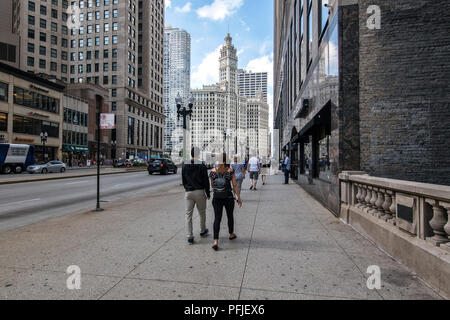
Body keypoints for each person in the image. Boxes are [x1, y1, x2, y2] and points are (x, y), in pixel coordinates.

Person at [210, 153, 242, 251]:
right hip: (228, 197)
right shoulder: (230, 171)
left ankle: (215, 241)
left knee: (217, 218)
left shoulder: (213, 171)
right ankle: (231, 234)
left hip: (217, 198)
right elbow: (235, 185)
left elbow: (212, 185)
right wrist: (238, 197)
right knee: (230, 216)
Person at [182, 147, 211, 245]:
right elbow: (206, 180)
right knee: (202, 213)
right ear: (198, 154)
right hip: (199, 191)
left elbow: (183, 180)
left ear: (191, 154)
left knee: (188, 215)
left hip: (189, 192)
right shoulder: (201, 165)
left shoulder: (185, 164)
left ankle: (189, 236)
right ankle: (203, 231)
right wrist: (208, 193)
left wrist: (187, 188)